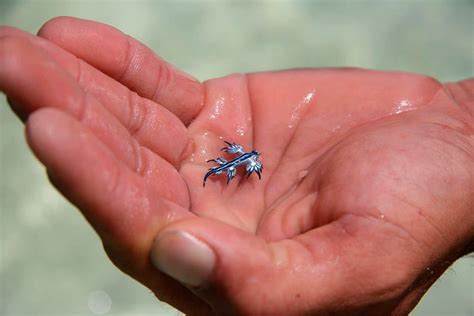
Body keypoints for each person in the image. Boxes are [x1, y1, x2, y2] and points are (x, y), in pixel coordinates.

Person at [0, 17, 472, 316]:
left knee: (220, 170)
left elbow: (247, 164)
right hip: (236, 157)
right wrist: (461, 115)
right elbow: (240, 158)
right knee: (218, 169)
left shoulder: (248, 162)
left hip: (239, 159)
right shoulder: (242, 158)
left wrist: (461, 125)